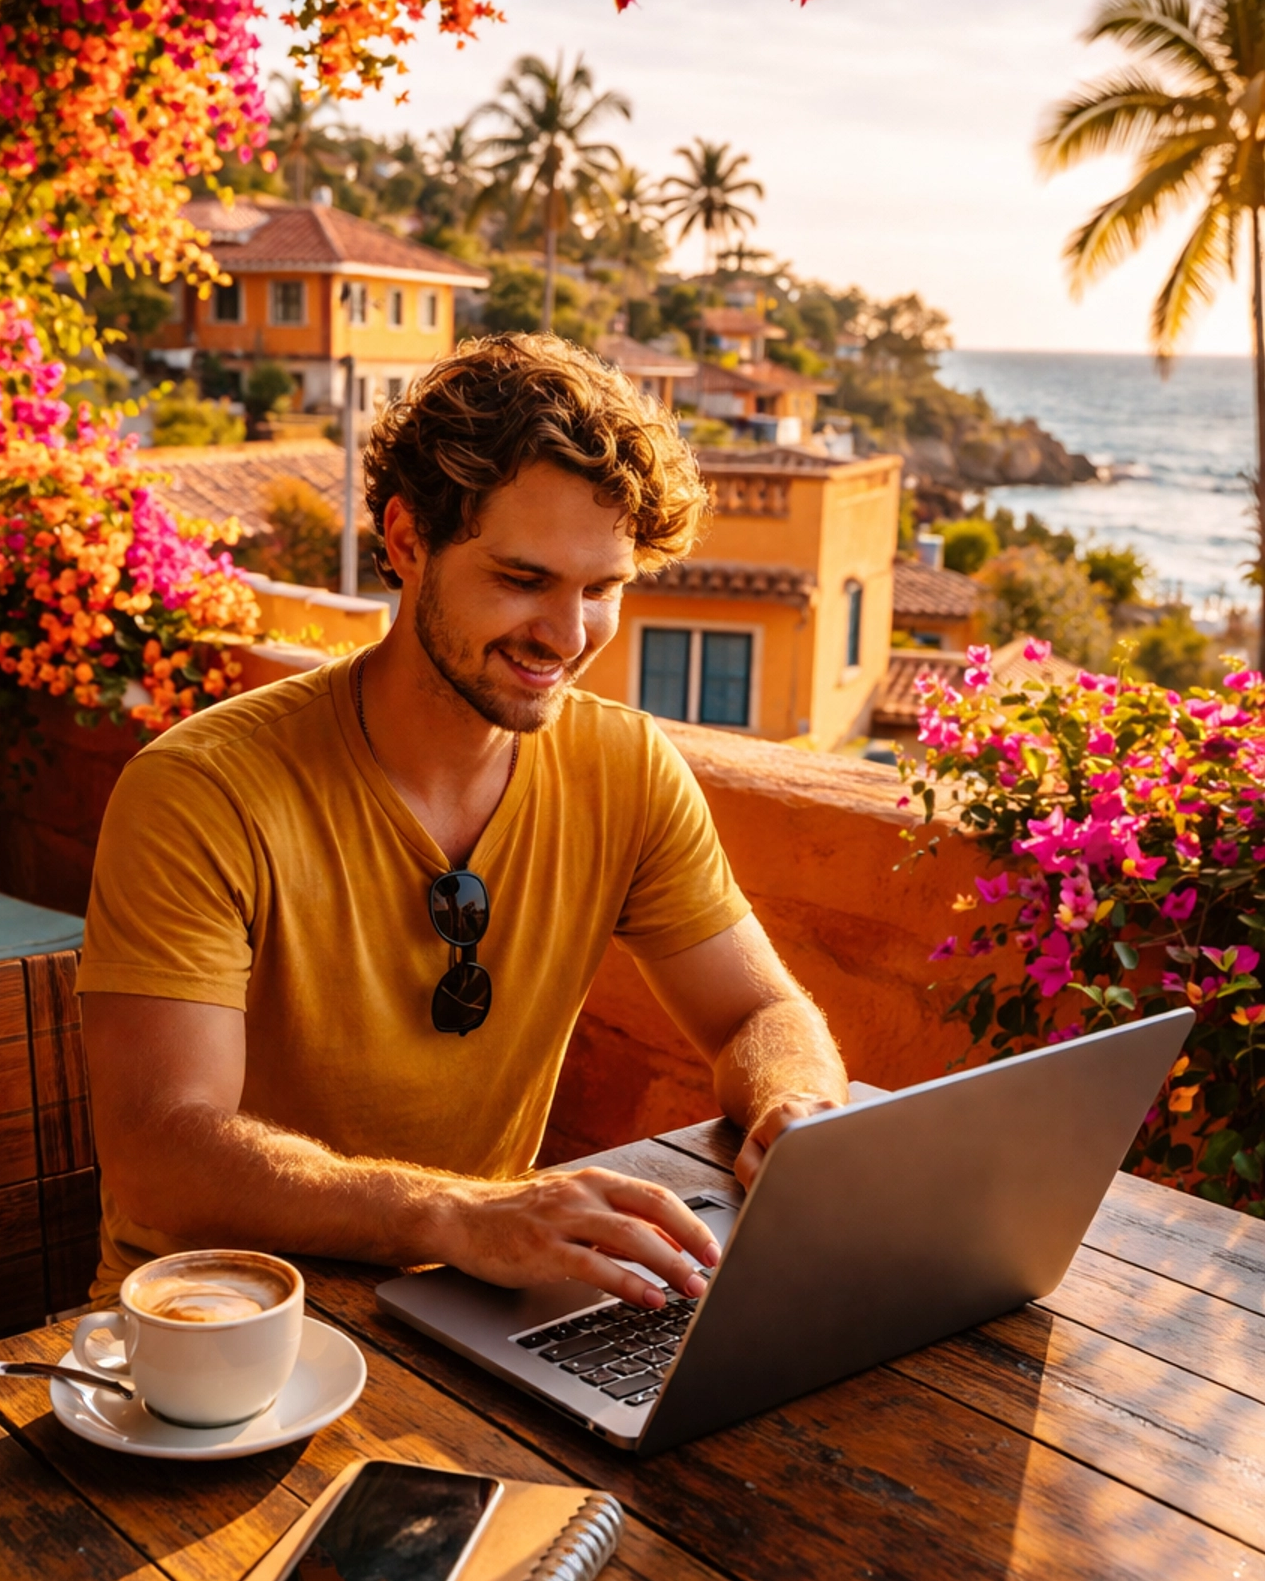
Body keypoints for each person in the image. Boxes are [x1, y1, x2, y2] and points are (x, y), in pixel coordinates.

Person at [78, 335, 847, 1306]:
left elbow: (759, 1014)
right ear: (405, 542)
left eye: (601, 589)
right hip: (224, 1330)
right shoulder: (203, 792)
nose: (567, 639)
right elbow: (160, 1157)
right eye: (523, 580)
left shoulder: (627, 770)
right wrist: (455, 1215)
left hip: (465, 1307)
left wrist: (794, 1104)